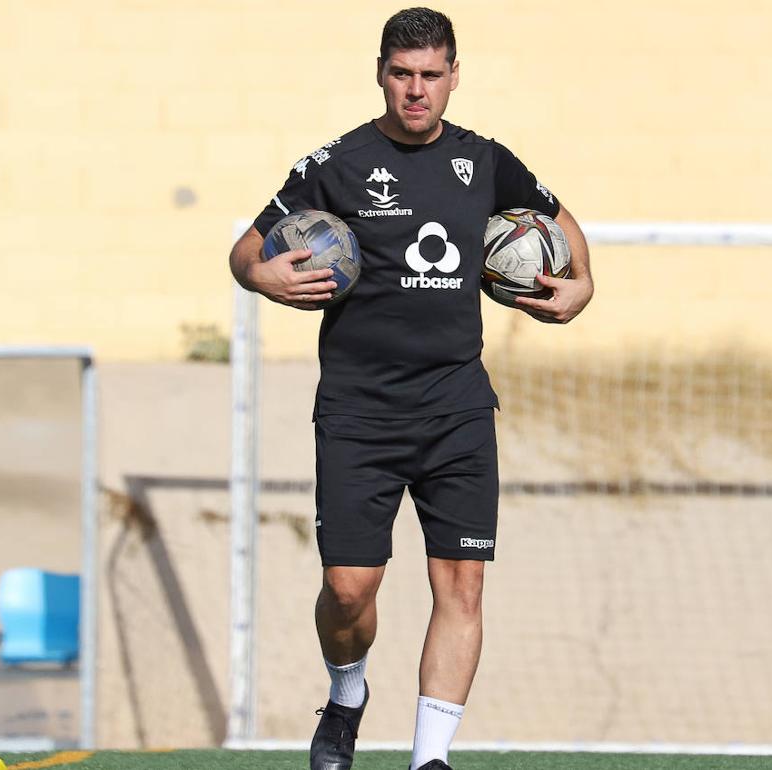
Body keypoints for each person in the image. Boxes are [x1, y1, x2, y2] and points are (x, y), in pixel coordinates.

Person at [228, 8, 593, 770]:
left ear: (454, 76)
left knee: (461, 583)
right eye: (402, 75)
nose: (416, 91)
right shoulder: (336, 163)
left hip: (458, 405)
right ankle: (347, 692)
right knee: (350, 590)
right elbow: (247, 248)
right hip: (359, 409)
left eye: (431, 75)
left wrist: (581, 284)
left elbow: (559, 221)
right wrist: (261, 275)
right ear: (381, 74)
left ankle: (430, 758)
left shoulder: (485, 161)